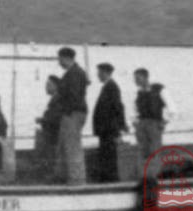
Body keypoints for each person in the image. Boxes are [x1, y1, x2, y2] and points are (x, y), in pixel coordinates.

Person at [54, 47, 89, 185]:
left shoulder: (74, 73)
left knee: (72, 147)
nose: (59, 62)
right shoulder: (76, 72)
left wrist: (65, 110)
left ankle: (77, 180)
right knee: (69, 145)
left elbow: (73, 95)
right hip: (75, 112)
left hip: (73, 113)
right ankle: (72, 178)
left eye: (60, 59)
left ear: (66, 58)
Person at [92, 63, 126, 182]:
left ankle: (110, 179)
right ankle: (108, 178)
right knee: (107, 154)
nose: (98, 75)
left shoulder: (111, 87)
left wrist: (118, 128)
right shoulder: (108, 87)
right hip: (106, 129)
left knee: (108, 154)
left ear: (105, 72)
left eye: (99, 72)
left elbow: (117, 107)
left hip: (108, 129)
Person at [133, 68, 172, 159]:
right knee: (142, 152)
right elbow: (135, 109)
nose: (135, 81)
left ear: (145, 77)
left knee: (155, 151)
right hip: (141, 125)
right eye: (135, 78)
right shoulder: (139, 93)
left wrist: (164, 122)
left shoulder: (159, 89)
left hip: (154, 124)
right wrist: (135, 122)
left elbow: (172, 108)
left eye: (138, 78)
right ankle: (144, 167)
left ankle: (154, 168)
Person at [35, 75, 62, 181]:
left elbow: (56, 118)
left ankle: (53, 175)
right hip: (51, 133)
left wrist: (42, 120)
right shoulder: (56, 99)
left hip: (53, 134)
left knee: (52, 153)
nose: (46, 87)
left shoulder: (57, 99)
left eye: (48, 84)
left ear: (56, 86)